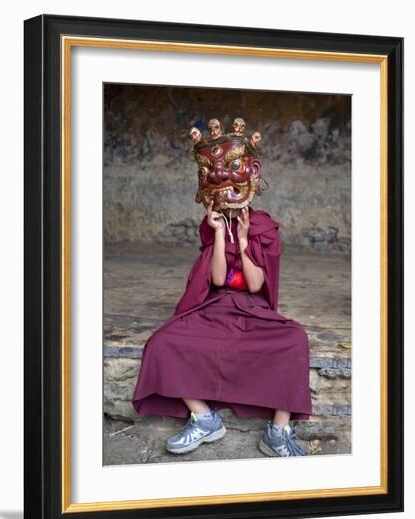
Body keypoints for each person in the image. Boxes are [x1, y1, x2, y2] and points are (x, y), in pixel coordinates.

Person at [131, 118, 312, 458]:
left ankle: (277, 431)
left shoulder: (263, 227)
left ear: (252, 174)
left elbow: (256, 283)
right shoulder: (209, 225)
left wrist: (243, 241)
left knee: (294, 339)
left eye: (233, 168)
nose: (220, 179)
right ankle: (204, 418)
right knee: (162, 342)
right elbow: (215, 280)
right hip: (215, 308)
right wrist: (217, 233)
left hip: (252, 312)